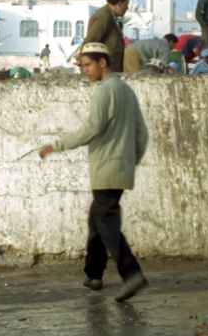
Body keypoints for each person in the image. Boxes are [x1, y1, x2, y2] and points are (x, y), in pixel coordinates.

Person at [39, 42, 149, 302]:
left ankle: (132, 274)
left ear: (103, 63)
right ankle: (94, 274)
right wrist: (130, 160)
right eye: (82, 66)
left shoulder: (104, 91)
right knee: (96, 218)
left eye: (88, 65)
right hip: (120, 167)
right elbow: (141, 134)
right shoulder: (126, 90)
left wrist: (56, 145)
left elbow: (92, 129)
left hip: (106, 167)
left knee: (105, 220)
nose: (85, 70)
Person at [83, 0, 129, 72]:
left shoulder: (111, 17)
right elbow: (91, 41)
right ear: (119, 4)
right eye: (126, 4)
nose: (127, 8)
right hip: (105, 70)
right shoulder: (104, 17)